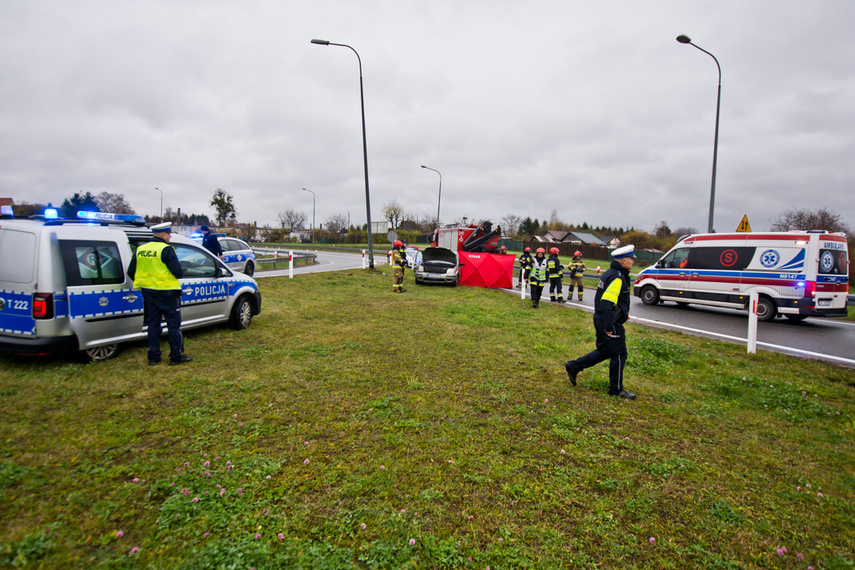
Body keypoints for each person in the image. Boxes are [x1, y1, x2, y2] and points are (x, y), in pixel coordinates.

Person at [564, 245, 637, 399]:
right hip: (610, 322)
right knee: (619, 354)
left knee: (605, 350)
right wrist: (610, 326)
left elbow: (612, 299)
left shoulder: (610, 273)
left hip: (602, 318)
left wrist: (623, 314)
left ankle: (574, 366)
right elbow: (606, 303)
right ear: (624, 261)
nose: (633, 262)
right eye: (631, 259)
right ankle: (616, 389)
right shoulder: (617, 277)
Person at [127, 222, 193, 366]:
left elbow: (131, 271)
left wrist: (147, 282)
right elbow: (178, 272)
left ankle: (154, 357)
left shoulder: (140, 249)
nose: (170, 237)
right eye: (169, 234)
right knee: (173, 326)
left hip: (149, 294)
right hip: (168, 294)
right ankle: (176, 356)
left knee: (153, 325)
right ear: (163, 235)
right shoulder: (166, 249)